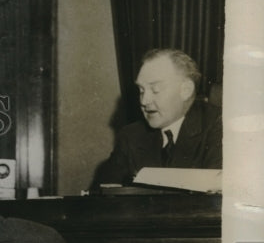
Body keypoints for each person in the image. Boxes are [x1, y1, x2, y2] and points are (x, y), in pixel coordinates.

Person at [94, 48, 222, 187]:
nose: (144, 101)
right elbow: (106, 194)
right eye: (141, 91)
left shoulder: (220, 126)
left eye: (155, 90)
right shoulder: (130, 136)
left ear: (185, 90)